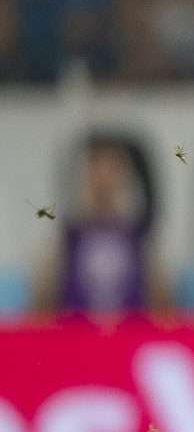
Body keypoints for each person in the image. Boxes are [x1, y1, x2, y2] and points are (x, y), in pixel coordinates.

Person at [36, 136, 167, 320]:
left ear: (126, 175)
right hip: (76, 335)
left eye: (113, 167)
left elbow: (163, 311)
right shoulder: (62, 242)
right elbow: (40, 313)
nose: (103, 177)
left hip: (131, 334)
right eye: (95, 166)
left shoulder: (142, 241)